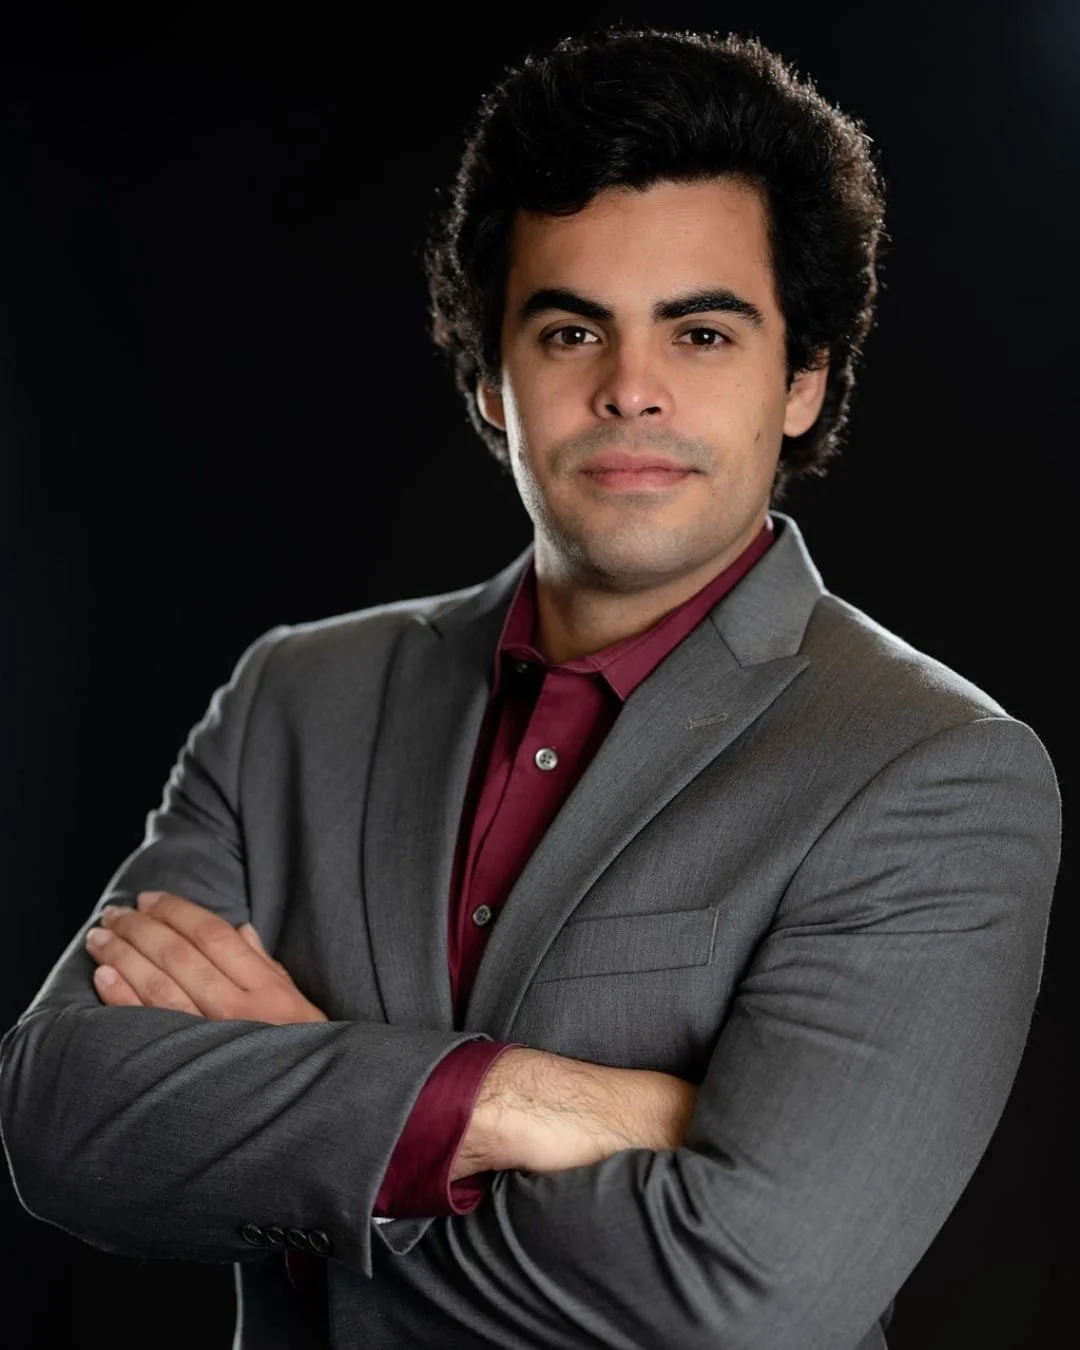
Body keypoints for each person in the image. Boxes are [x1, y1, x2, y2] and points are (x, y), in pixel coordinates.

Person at [0, 26, 1061, 1350]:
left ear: (803, 381)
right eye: (571, 328)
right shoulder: (294, 699)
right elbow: (64, 1117)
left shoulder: (932, 770)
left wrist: (318, 1140)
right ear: (488, 380)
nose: (630, 389)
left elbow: (757, 1297)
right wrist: (526, 1103)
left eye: (703, 333)